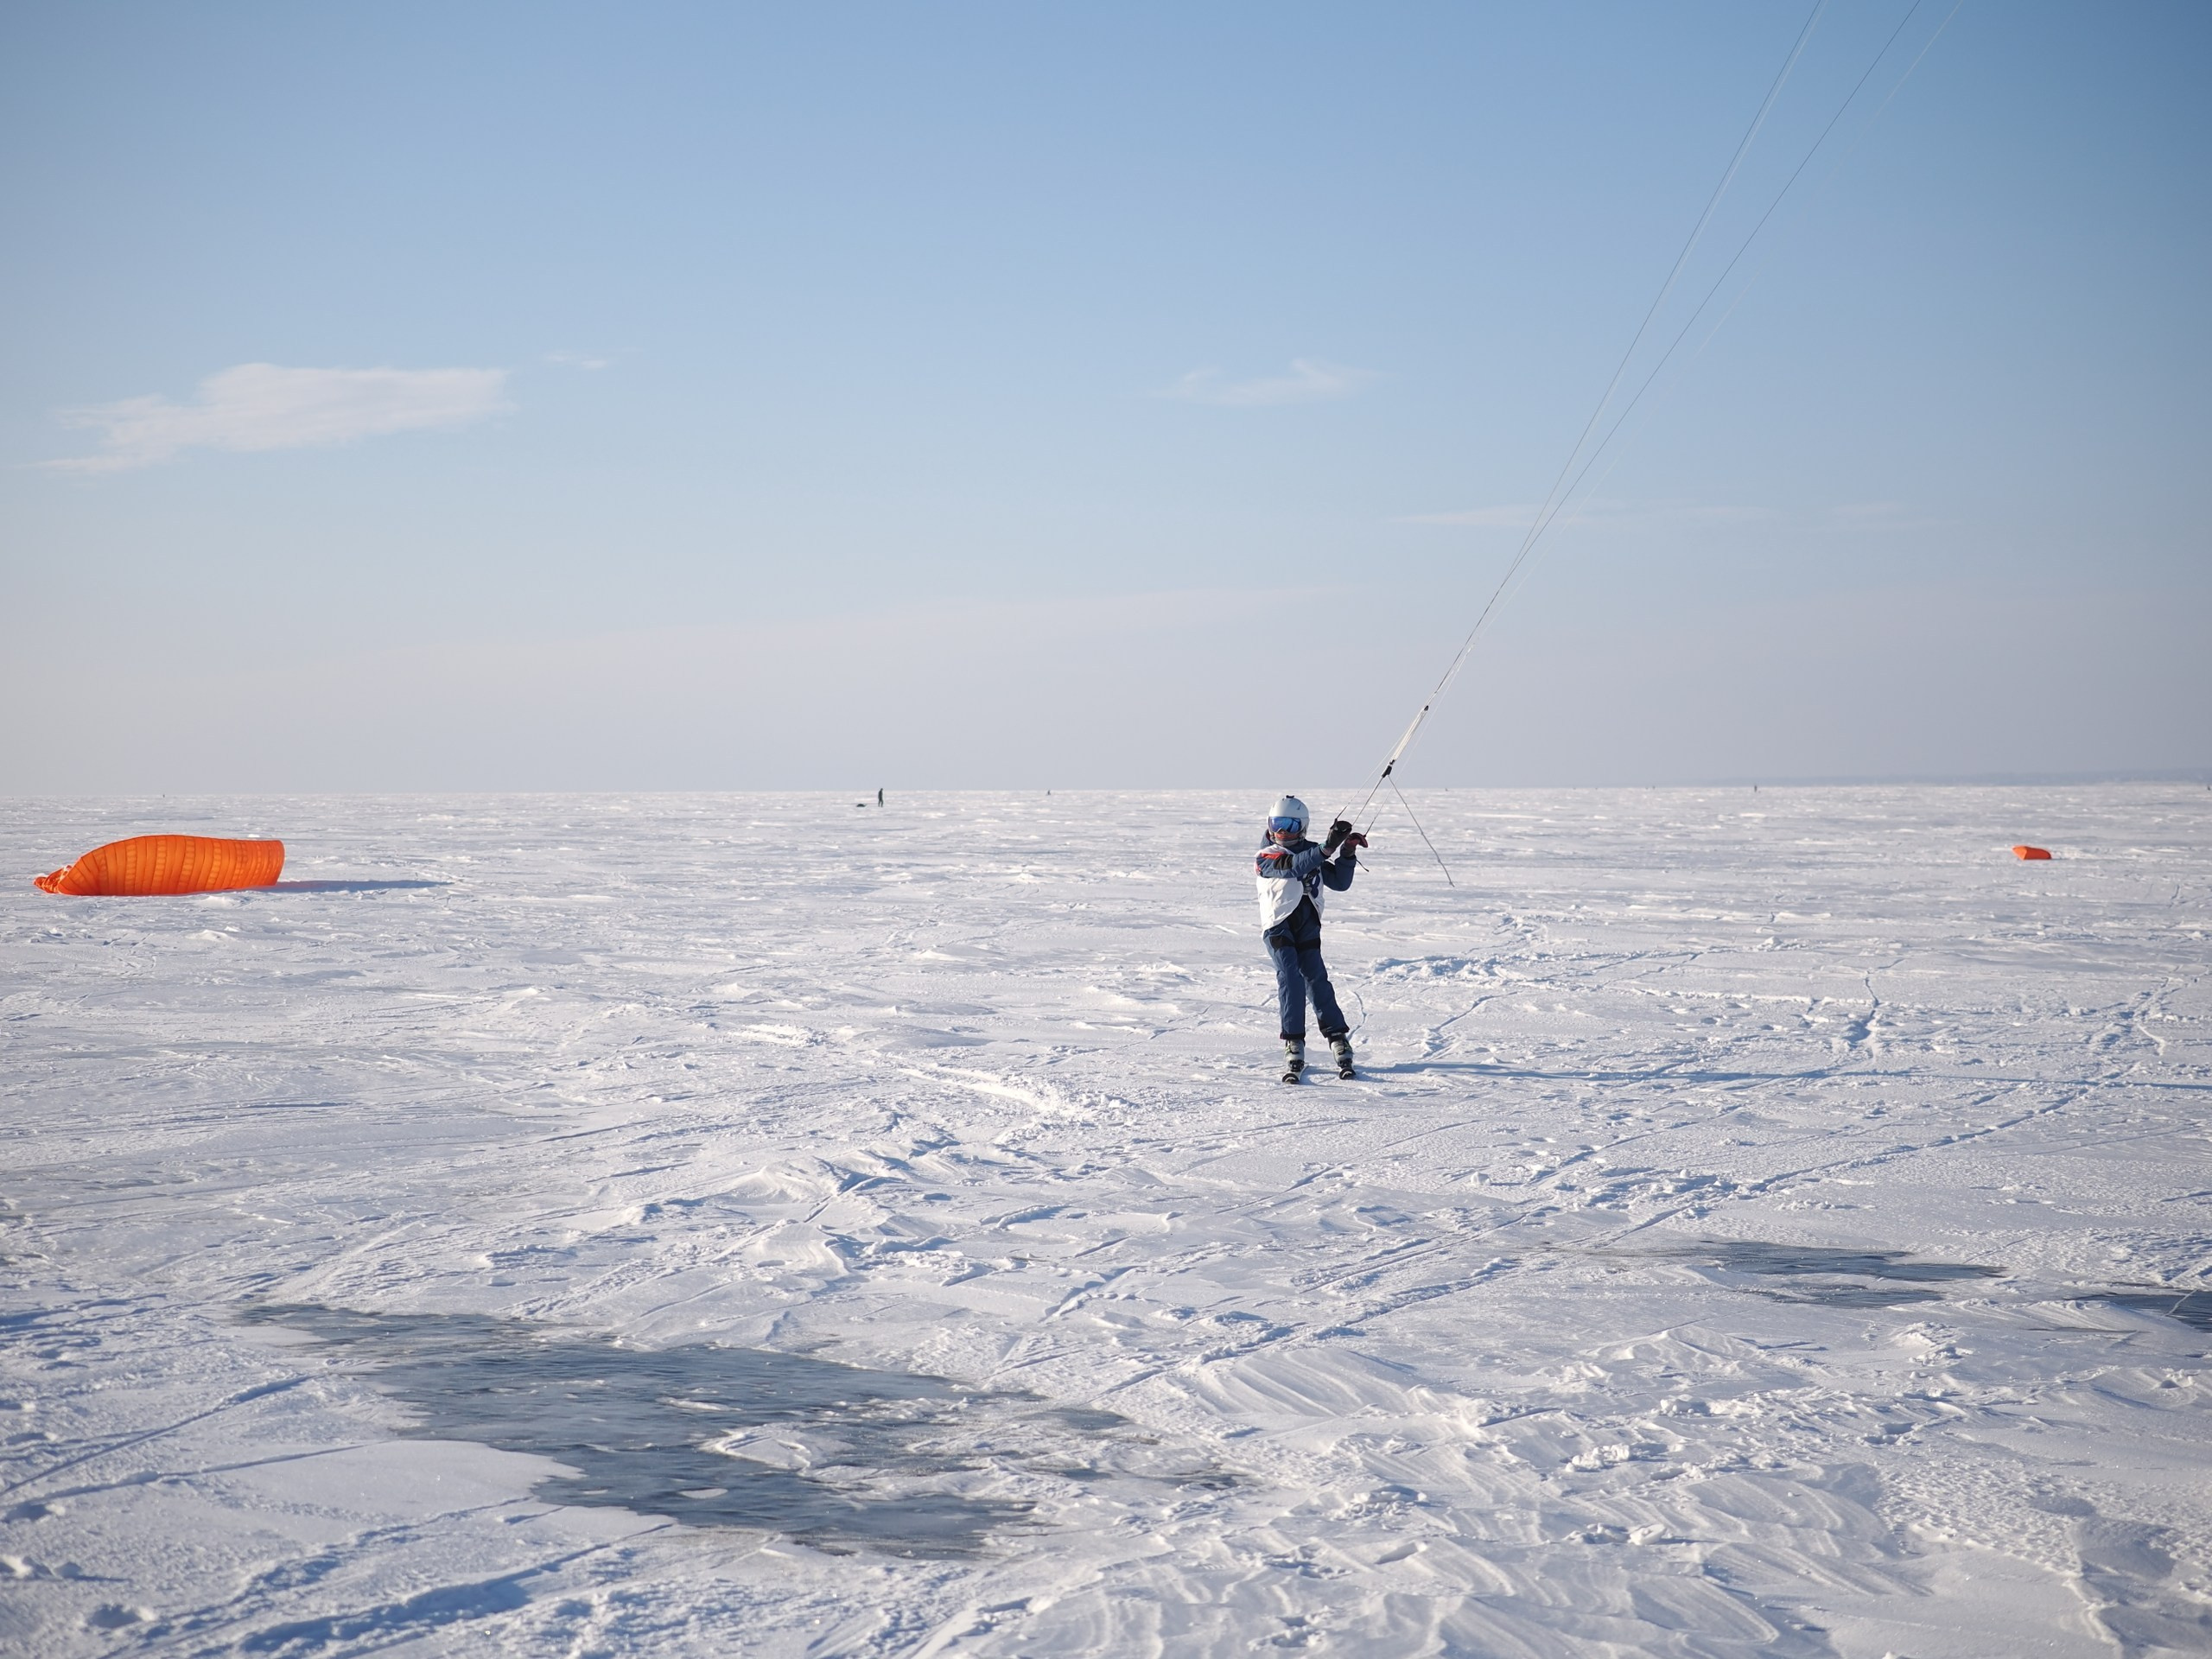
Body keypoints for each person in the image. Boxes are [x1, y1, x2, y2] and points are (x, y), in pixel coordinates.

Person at [1254, 795, 1367, 1080]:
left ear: (1302, 826)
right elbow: (1293, 866)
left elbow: (1339, 882)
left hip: (1307, 925)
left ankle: (1337, 1037)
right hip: (1278, 926)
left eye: (1290, 825)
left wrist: (1347, 852)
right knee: (1290, 975)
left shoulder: (1312, 851)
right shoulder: (1266, 854)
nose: (1282, 831)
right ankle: (1294, 1040)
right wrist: (1328, 847)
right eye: (1277, 823)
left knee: (1316, 978)